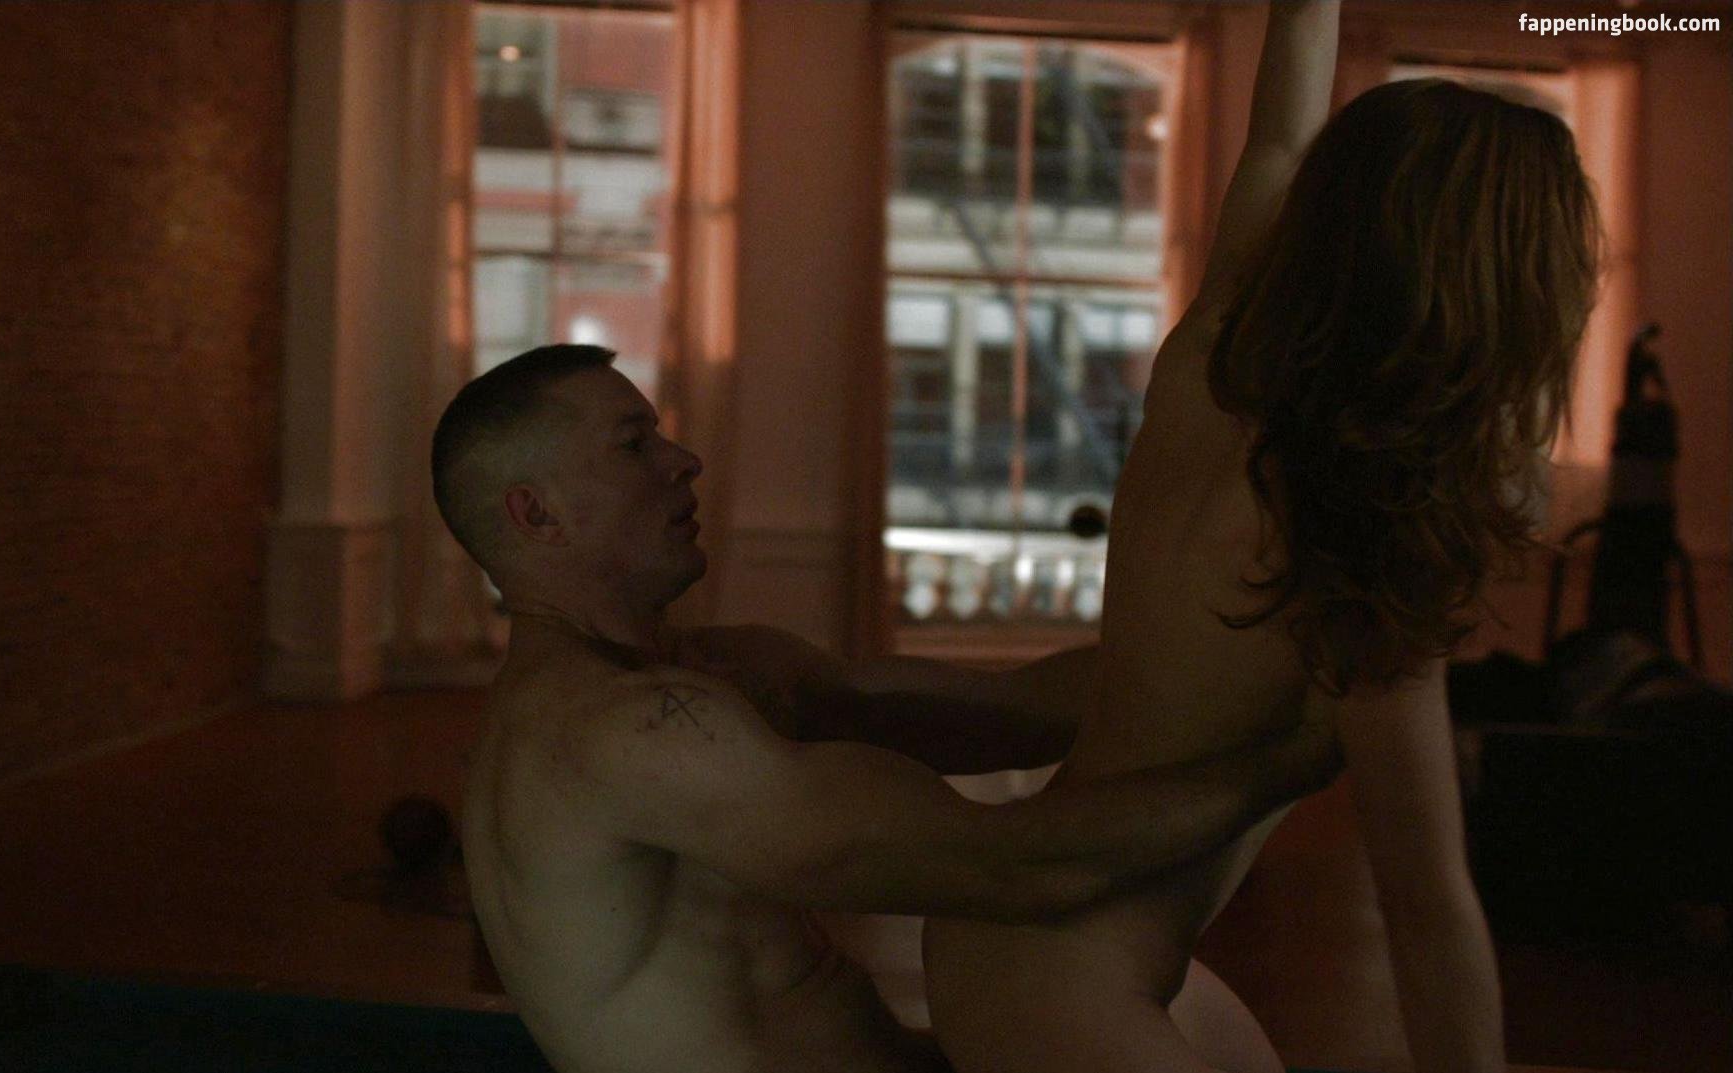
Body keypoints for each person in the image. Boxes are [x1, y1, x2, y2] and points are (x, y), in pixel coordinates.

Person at [912, 2, 1601, 1072]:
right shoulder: (1365, 539)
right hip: (1063, 977)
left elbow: (1279, 141)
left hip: (1031, 937)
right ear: (1507, 302)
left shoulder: (1216, 356)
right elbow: (1426, 908)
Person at [431, 344, 1341, 1073]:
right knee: (1024, 950)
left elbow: (1009, 708)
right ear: (536, 514)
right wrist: (1293, 761)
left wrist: (1272, 656)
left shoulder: (713, 675)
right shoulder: (613, 732)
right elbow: (1017, 871)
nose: (684, 461)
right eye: (634, 445)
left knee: (1163, 999)